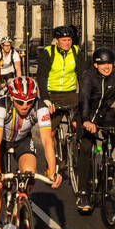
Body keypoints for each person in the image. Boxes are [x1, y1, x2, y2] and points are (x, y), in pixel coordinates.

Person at [0, 76, 61, 229]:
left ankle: (19, 204)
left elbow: (46, 140)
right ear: (12, 98)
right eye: (20, 101)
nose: (25, 106)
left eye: (29, 101)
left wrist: (53, 170)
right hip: (1, 142)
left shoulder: (40, 107)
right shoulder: (1, 107)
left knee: (29, 175)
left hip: (23, 142)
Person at [75, 47, 115, 212]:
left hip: (105, 112)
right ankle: (82, 192)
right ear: (95, 65)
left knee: (112, 136)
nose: (107, 67)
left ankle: (106, 163)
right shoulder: (88, 76)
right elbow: (84, 98)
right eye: (102, 64)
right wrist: (86, 121)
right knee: (86, 149)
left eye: (109, 63)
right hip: (86, 112)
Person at [36, 26, 82, 155]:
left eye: (69, 40)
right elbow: (41, 77)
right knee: (50, 131)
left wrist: (84, 95)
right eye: (64, 40)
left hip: (71, 94)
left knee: (77, 124)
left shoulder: (76, 51)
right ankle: (53, 158)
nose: (68, 43)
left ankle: (74, 149)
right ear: (56, 40)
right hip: (52, 95)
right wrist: (45, 98)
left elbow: (82, 75)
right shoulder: (48, 52)